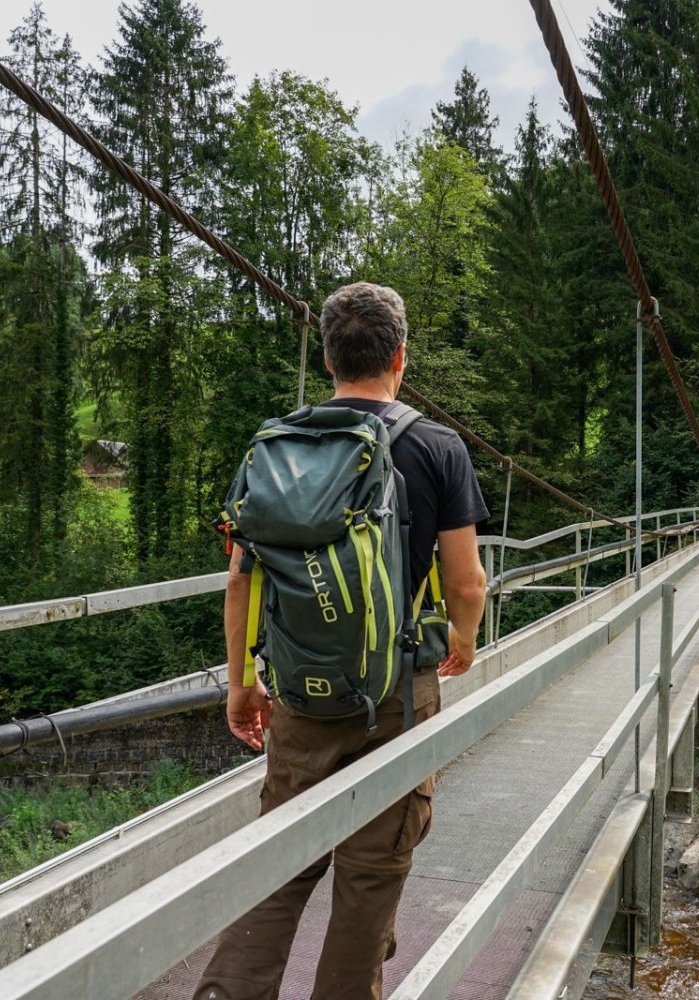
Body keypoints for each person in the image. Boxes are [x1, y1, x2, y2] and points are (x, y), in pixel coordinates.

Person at [194, 282, 488, 1000]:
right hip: (396, 695)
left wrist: (241, 683)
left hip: (296, 692)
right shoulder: (435, 445)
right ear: (400, 356)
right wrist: (464, 640)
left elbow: (240, 581)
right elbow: (468, 583)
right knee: (370, 877)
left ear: (329, 359)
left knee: (279, 865)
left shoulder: (276, 445)